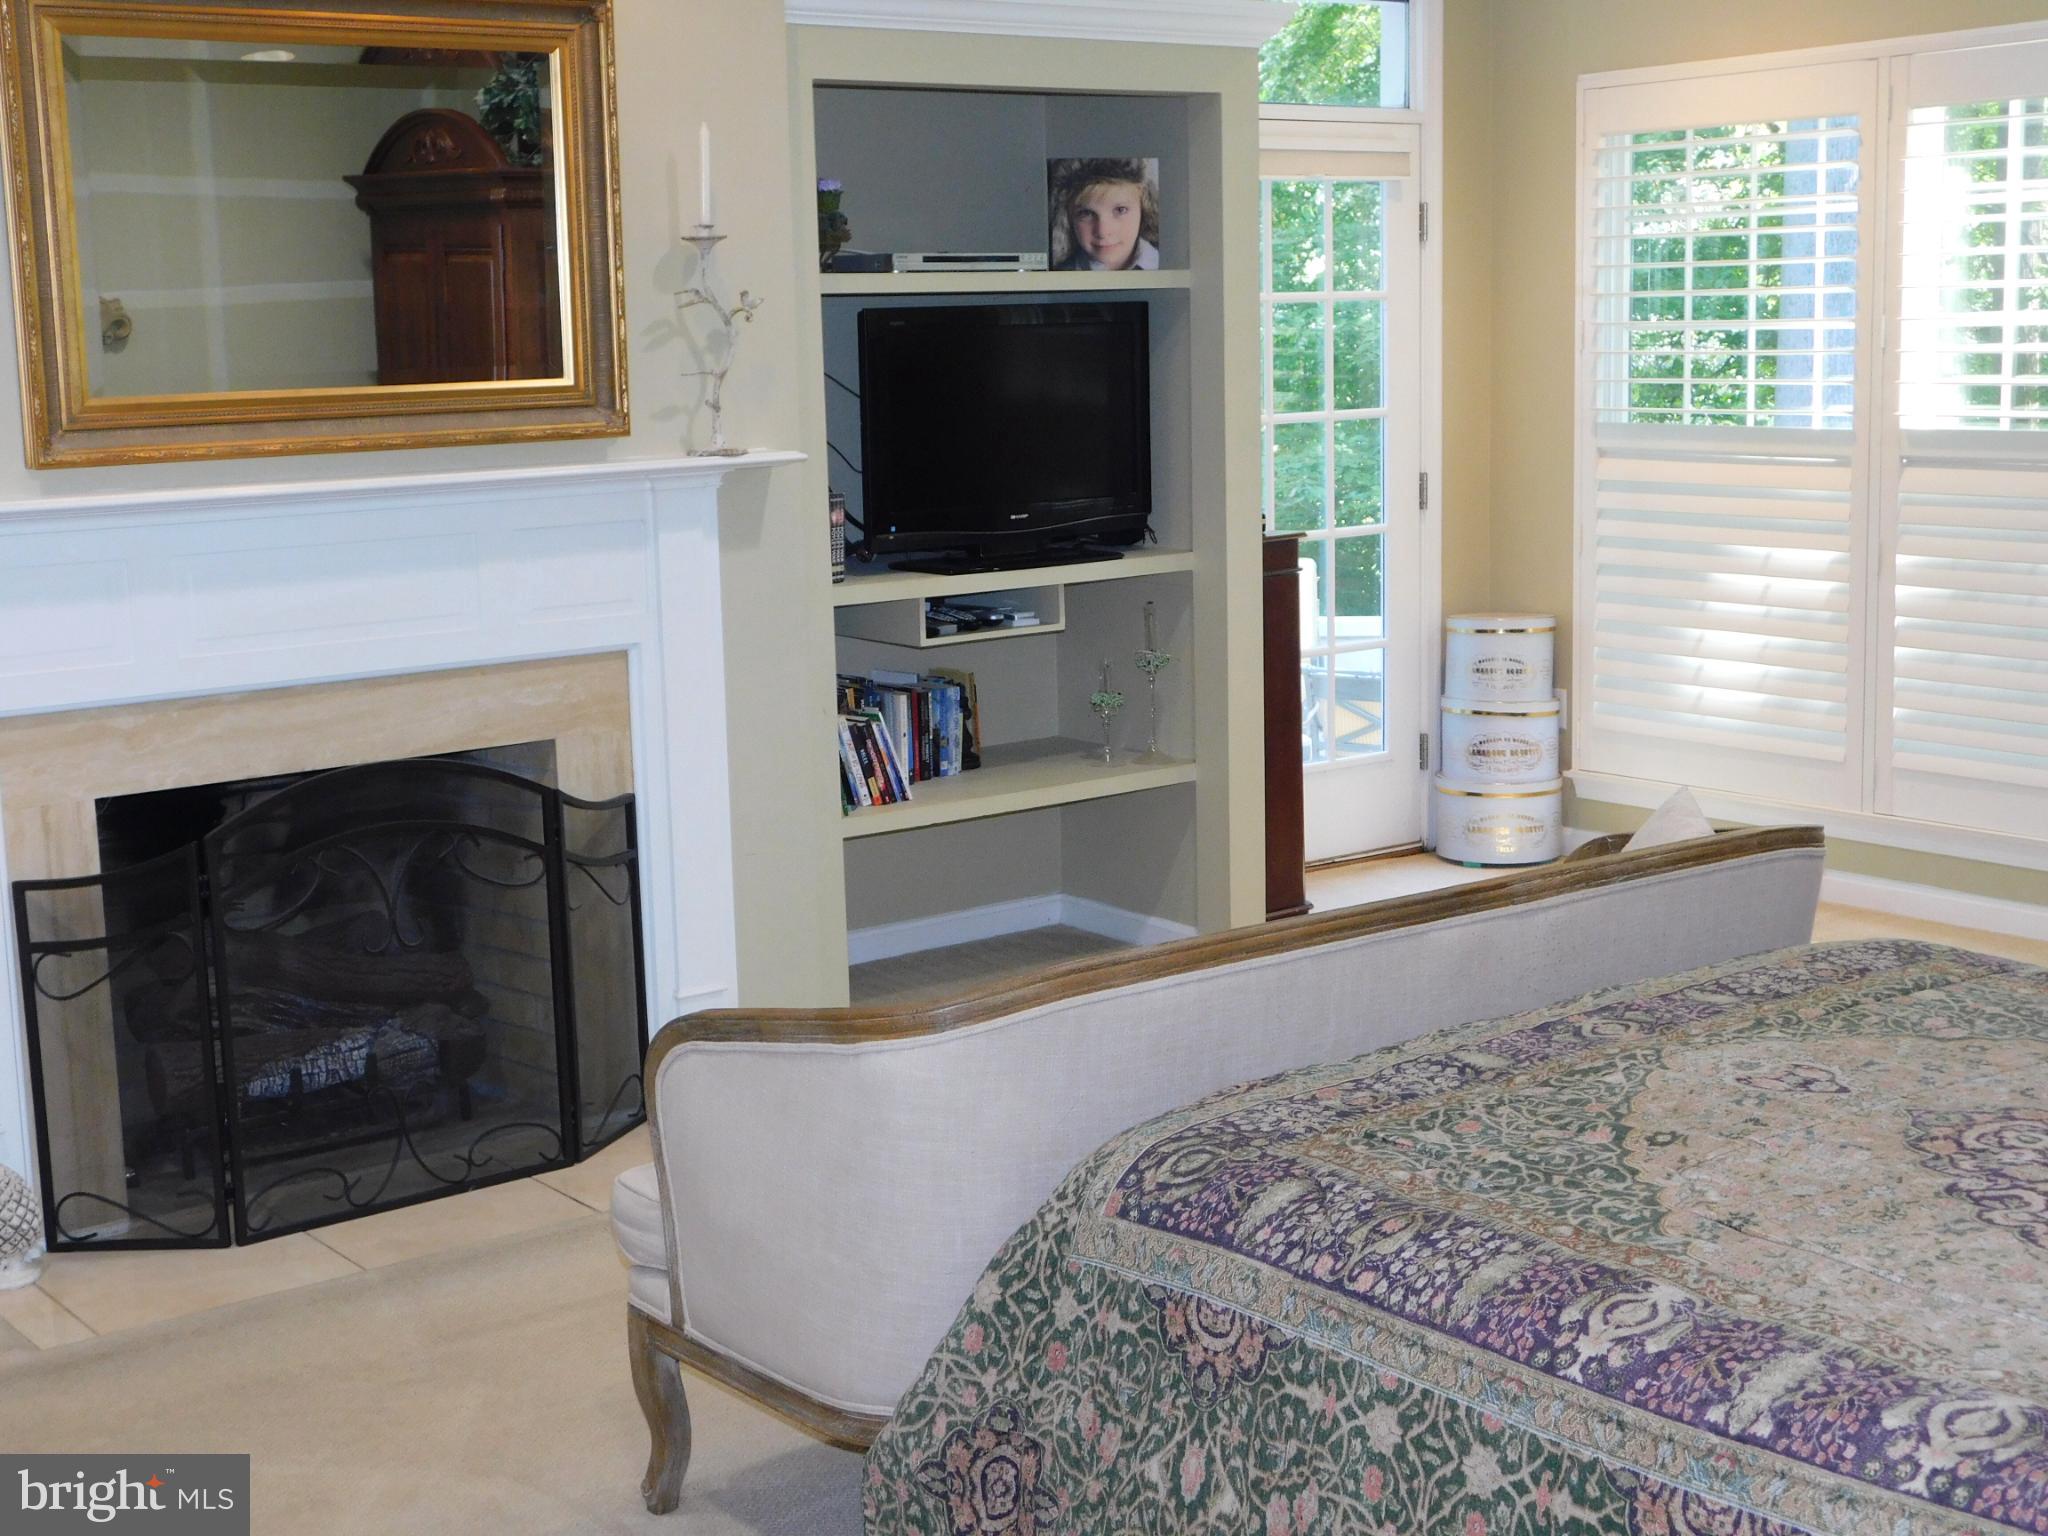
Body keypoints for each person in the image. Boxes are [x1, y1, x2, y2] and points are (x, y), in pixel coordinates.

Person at [1050, 158, 1161, 272]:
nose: (1103, 232)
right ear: (1068, 218)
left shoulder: (1167, 265)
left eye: (1120, 210)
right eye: (1086, 213)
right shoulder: (1059, 275)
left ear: (1144, 209)